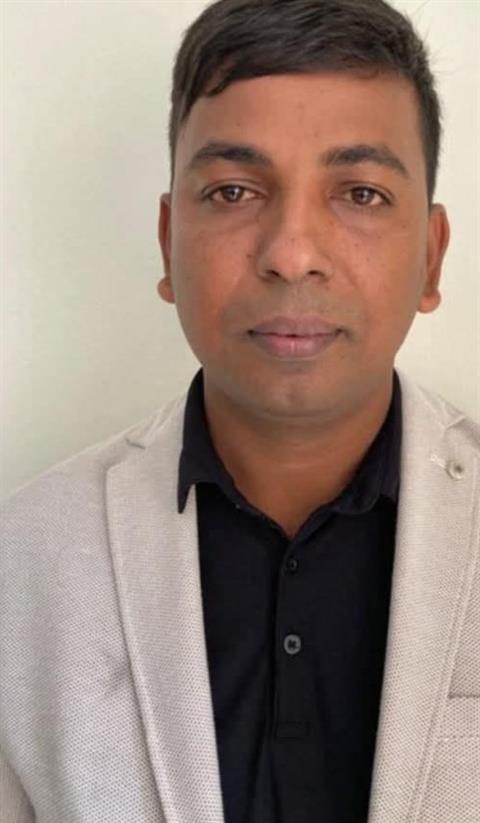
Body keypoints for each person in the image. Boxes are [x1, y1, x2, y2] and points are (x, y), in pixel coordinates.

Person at [1, 0, 479, 821]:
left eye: (360, 193)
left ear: (431, 257)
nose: (292, 253)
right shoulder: (24, 563)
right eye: (232, 190)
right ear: (167, 241)